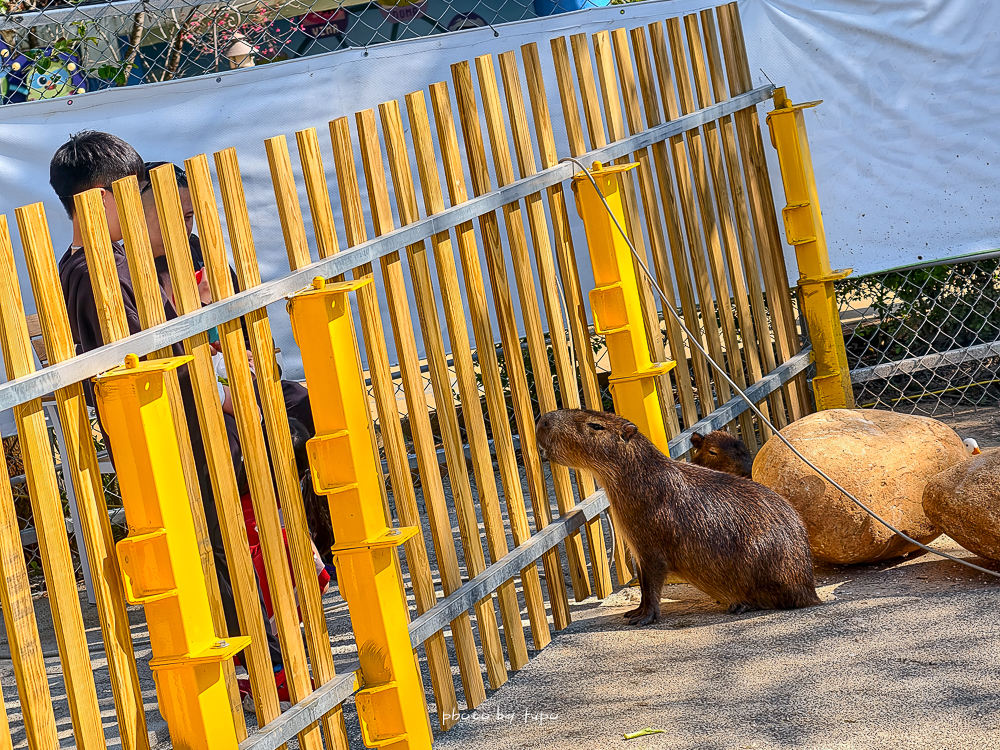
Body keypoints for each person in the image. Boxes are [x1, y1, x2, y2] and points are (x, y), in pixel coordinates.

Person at [50, 131, 290, 702]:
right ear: (102, 199)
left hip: (206, 430)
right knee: (214, 561)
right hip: (169, 440)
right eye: (133, 193)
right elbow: (143, 362)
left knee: (240, 549)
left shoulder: (137, 261)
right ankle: (253, 674)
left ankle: (269, 660)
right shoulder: (93, 271)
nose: (147, 207)